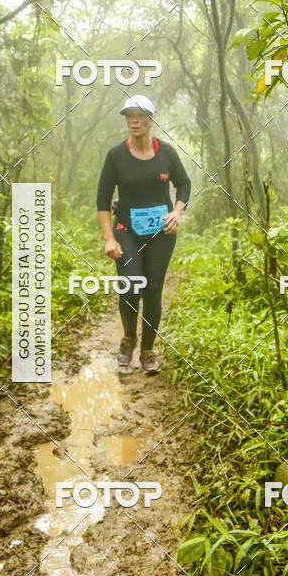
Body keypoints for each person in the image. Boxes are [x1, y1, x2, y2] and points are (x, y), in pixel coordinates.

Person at [96, 94, 190, 374]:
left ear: (150, 120)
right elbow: (103, 199)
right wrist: (108, 238)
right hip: (126, 231)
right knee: (129, 287)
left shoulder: (167, 153)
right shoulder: (116, 156)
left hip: (161, 233)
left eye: (139, 115)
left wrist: (178, 211)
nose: (134, 120)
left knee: (152, 291)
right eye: (129, 116)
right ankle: (128, 339)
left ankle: (148, 351)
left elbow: (184, 184)